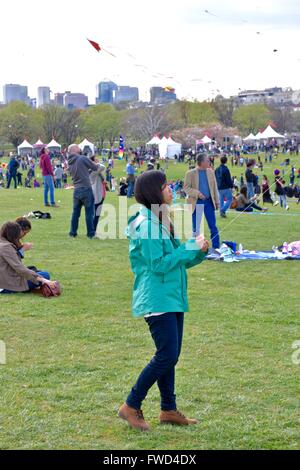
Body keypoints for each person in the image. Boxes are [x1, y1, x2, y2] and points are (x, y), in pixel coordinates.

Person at [118, 171, 209, 431]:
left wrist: (199, 251)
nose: (171, 189)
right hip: (157, 299)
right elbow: (158, 265)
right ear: (153, 192)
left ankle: (168, 409)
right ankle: (131, 405)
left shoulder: (160, 220)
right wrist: (188, 248)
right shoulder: (146, 225)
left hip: (172, 296)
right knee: (167, 355)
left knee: (170, 356)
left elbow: (176, 261)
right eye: (166, 186)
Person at [0, 222, 54, 294]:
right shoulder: (6, 247)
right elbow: (19, 268)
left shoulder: (3, 243)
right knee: (45, 275)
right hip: (6, 285)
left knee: (35, 271)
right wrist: (44, 280)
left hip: (6, 278)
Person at [184, 154, 220, 250]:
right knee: (196, 228)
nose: (209, 162)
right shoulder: (190, 173)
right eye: (207, 161)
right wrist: (197, 193)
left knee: (213, 226)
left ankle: (216, 247)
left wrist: (217, 201)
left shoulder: (211, 172)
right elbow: (186, 188)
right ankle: (196, 248)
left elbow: (214, 187)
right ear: (202, 162)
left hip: (209, 203)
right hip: (197, 203)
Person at [67, 144, 99, 239]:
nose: (80, 148)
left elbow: (82, 171)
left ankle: (73, 232)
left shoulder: (70, 161)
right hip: (86, 188)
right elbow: (95, 167)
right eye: (78, 147)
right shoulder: (82, 158)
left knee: (75, 213)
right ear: (74, 150)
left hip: (76, 189)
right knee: (89, 213)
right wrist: (97, 163)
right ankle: (91, 234)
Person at [89, 156, 106, 233]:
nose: (98, 161)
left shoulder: (96, 171)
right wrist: (93, 164)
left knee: (96, 213)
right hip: (95, 195)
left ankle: (93, 230)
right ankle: (92, 230)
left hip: (100, 194)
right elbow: (103, 167)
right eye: (96, 160)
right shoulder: (92, 171)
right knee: (95, 213)